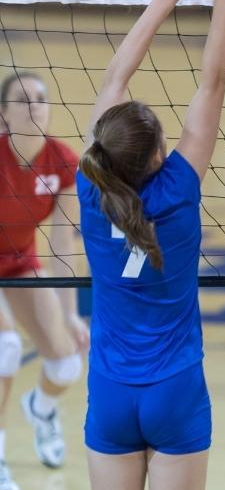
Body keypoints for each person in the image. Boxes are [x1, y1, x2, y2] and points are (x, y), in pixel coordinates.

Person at [77, 0, 225, 489]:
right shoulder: (179, 188)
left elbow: (113, 77)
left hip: (110, 391)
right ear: (160, 152)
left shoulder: (91, 185)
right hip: (174, 389)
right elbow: (214, 82)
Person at [0, 71, 91, 487]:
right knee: (6, 347)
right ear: (4, 114)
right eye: (22, 99)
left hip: (19, 262)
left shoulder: (64, 163)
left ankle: (40, 408)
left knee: (67, 362)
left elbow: (61, 246)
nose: (34, 104)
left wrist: (70, 314)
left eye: (40, 98)